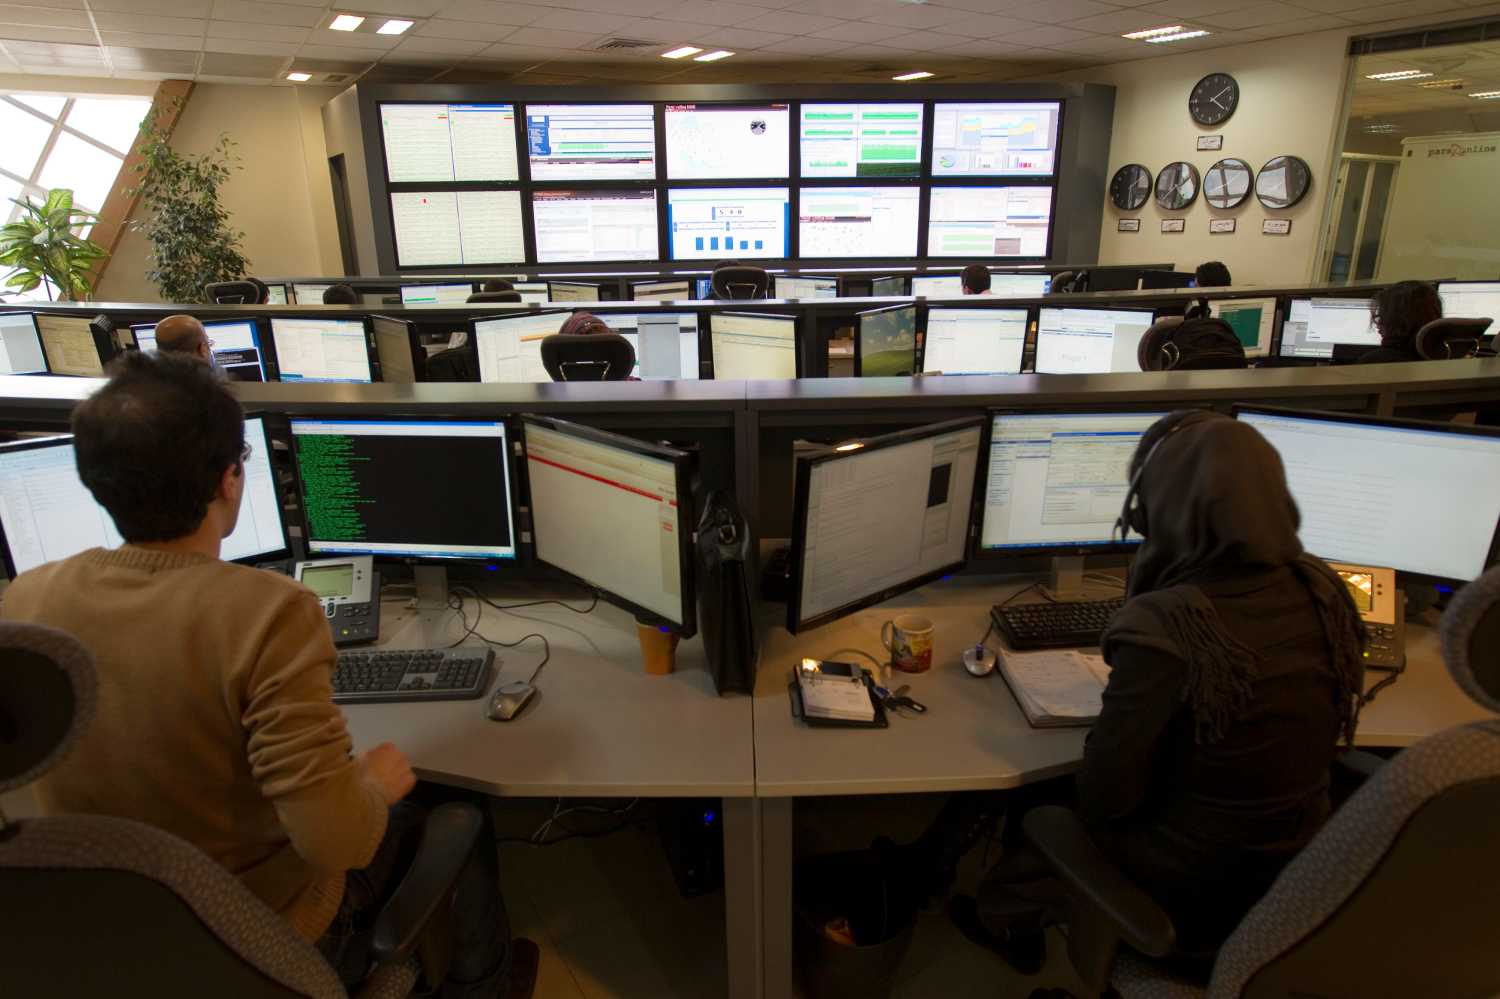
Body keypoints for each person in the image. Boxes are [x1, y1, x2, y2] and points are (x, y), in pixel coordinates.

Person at [0, 352, 536, 998]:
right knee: (457, 810)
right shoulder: (267, 613)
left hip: (125, 934)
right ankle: (489, 984)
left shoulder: (26, 601)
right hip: (269, 934)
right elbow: (337, 842)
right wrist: (368, 782)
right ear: (230, 480)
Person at [959, 410, 1365, 971]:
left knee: (1040, 803)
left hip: (1191, 888)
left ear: (1157, 511)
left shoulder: (1170, 625)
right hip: (1294, 868)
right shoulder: (1322, 588)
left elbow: (1107, 797)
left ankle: (1004, 918)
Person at [1358, 280, 1442, 364]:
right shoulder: (1443, 355)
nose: (1378, 324)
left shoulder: (1375, 361)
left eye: (1381, 316)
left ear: (1394, 320)